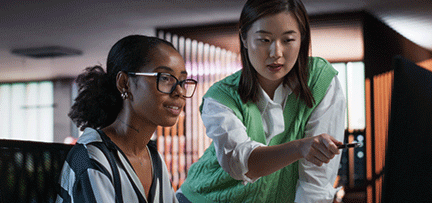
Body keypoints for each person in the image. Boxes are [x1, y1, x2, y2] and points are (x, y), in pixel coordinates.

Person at [177, 0, 346, 202]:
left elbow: (315, 184)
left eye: (288, 40)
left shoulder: (321, 81)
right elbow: (241, 164)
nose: (276, 53)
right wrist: (300, 148)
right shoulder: (221, 97)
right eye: (264, 40)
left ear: (302, 39)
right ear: (245, 38)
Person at [57, 35, 197, 203]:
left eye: (182, 81)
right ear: (124, 83)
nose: (179, 92)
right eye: (165, 78)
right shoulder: (90, 157)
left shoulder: (154, 158)